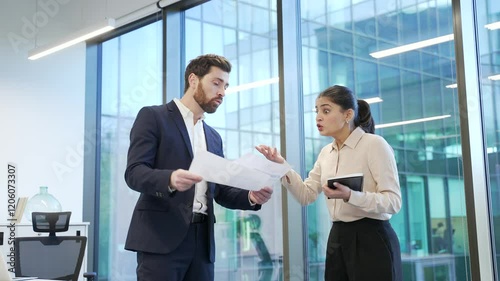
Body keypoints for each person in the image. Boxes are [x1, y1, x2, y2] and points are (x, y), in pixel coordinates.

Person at [124, 54, 273, 281]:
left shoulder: (213, 137)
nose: (222, 92)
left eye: (226, 86)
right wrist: (170, 179)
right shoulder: (153, 117)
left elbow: (220, 191)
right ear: (193, 80)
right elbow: (134, 172)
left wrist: (251, 197)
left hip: (202, 243)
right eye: (216, 83)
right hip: (160, 239)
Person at [256, 85, 403, 281]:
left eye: (326, 111)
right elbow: (305, 195)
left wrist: (351, 196)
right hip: (338, 238)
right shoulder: (326, 153)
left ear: (348, 115)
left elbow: (393, 201)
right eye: (317, 111)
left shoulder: (374, 145)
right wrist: (282, 166)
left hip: (372, 238)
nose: (318, 117)